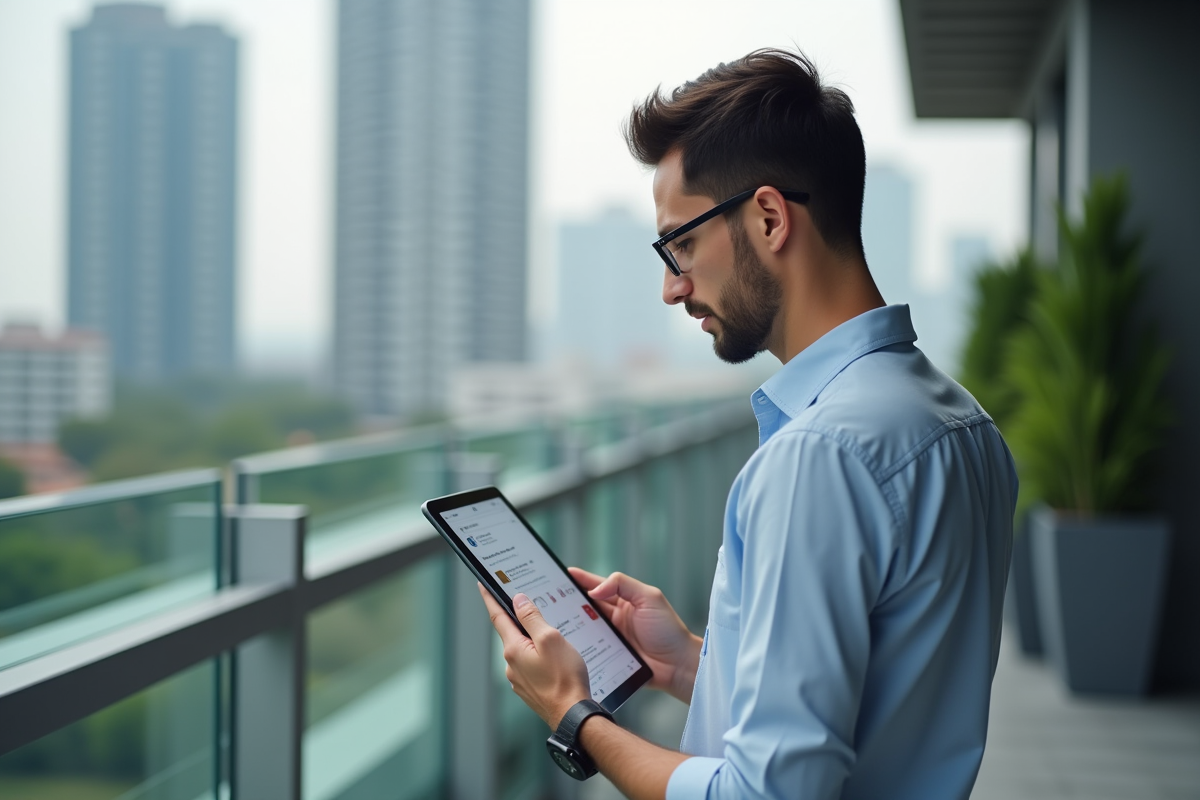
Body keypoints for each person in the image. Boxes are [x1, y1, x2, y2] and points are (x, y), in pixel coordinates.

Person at [480, 48, 1017, 800]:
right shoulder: (962, 422)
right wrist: (694, 664)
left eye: (682, 244)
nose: (672, 288)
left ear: (768, 217)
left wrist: (575, 717)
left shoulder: (817, 457)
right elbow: (883, 703)